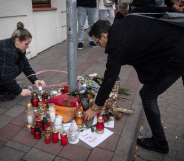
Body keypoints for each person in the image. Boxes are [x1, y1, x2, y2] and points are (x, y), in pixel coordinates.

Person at [84, 16, 184, 154]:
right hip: (179, 37)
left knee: (147, 95)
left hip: (177, 52)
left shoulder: (117, 44)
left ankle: (159, 142)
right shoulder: (123, 22)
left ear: (104, 35)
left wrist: (94, 108)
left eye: (98, 42)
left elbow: (109, 79)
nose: (100, 47)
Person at [0, 22, 46, 102]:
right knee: (11, 70)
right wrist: (19, 91)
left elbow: (25, 64)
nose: (28, 47)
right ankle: (1, 91)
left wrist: (34, 79)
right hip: (3, 73)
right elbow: (7, 75)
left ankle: (5, 86)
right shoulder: (7, 51)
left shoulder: (16, 47)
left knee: (20, 65)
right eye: (26, 44)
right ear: (18, 41)